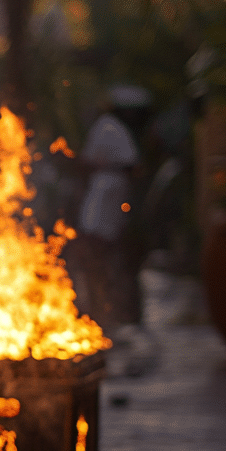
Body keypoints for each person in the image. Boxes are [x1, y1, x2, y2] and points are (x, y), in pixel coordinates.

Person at [75, 86, 149, 329]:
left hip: (110, 194)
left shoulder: (113, 129)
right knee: (98, 246)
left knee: (103, 249)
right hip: (105, 194)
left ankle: (107, 310)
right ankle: (102, 309)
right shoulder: (109, 127)